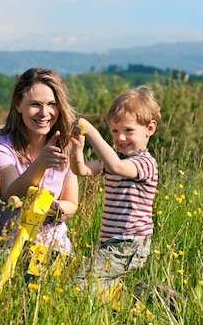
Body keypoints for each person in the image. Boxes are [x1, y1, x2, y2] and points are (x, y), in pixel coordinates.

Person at [70, 85, 161, 297]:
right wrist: (77, 149)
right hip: (110, 242)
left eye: (128, 130)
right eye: (115, 131)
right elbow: (81, 170)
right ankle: (144, 298)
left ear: (150, 128)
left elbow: (116, 168)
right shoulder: (116, 159)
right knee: (101, 290)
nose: (120, 138)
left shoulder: (145, 163)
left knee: (79, 286)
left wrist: (92, 131)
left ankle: (145, 297)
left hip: (129, 244)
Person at [0, 67, 78, 253]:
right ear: (18, 104)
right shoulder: (0, 146)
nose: (44, 113)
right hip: (9, 249)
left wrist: (53, 208)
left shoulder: (65, 146)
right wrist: (40, 165)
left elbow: (71, 203)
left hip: (55, 249)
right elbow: (10, 192)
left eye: (52, 104)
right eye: (35, 104)